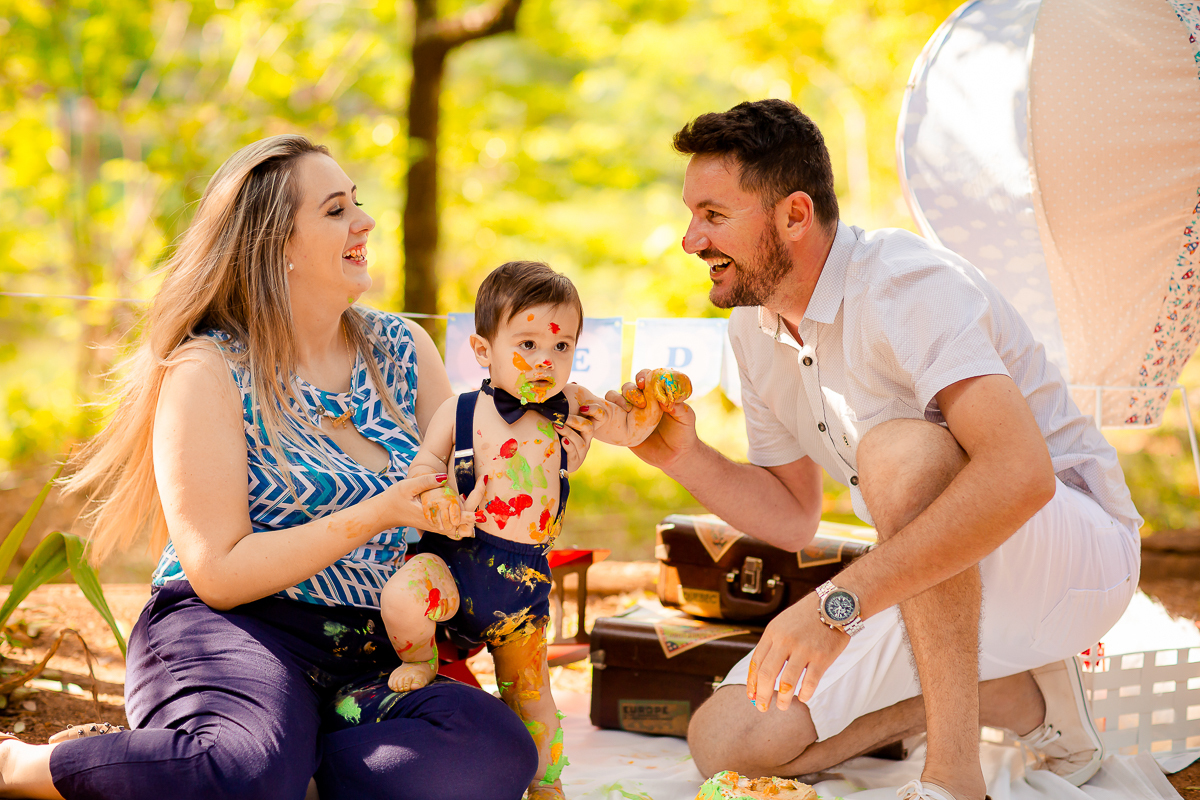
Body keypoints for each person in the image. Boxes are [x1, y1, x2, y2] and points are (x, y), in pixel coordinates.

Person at [0, 135, 588, 800]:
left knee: (492, 752)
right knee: (244, 767)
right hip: (236, 630)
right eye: (336, 210)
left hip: (373, 649)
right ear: (278, 242)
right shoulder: (210, 368)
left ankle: (292, 765)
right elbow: (218, 572)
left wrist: (549, 442)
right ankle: (21, 766)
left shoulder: (402, 348)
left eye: (357, 204)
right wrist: (376, 515)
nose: (364, 222)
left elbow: (471, 483)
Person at [613, 100, 1141, 800]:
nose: (688, 240)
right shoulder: (753, 331)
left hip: (1072, 557)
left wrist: (839, 605)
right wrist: (681, 456)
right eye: (692, 214)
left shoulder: (907, 284)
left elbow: (1021, 477)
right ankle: (1028, 701)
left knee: (898, 455)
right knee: (729, 746)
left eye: (712, 215)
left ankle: (953, 779)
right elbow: (795, 516)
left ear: (794, 216)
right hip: (936, 571)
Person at [380, 260, 692, 799]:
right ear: (483, 351)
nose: (545, 360)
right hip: (456, 561)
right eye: (526, 344)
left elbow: (627, 428)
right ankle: (420, 656)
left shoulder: (573, 407)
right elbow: (421, 473)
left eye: (562, 347)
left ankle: (547, 786)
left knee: (532, 699)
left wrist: (652, 405)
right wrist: (439, 500)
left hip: (521, 587)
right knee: (402, 595)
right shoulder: (457, 412)